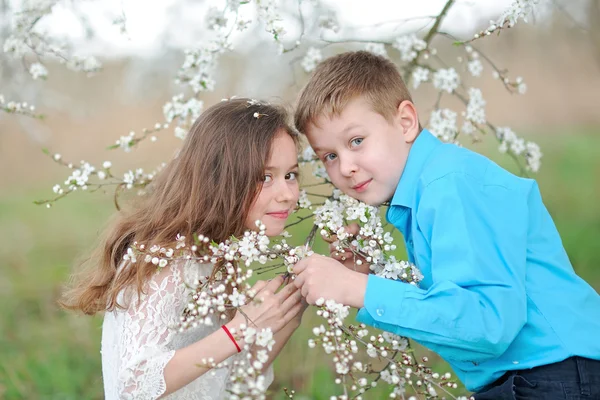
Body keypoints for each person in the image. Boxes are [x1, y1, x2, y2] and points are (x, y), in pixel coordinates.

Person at [291, 50, 600, 398]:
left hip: (558, 375)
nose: (345, 166)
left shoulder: (449, 184)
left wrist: (356, 289)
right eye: (330, 156)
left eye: (356, 141)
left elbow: (486, 324)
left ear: (406, 122)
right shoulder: (427, 192)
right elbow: (456, 314)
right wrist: (368, 279)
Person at [61, 98, 306, 399]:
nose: (287, 194)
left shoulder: (211, 253)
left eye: (290, 175)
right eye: (265, 177)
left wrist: (289, 310)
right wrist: (241, 329)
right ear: (221, 178)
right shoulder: (167, 259)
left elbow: (230, 381)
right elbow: (133, 385)